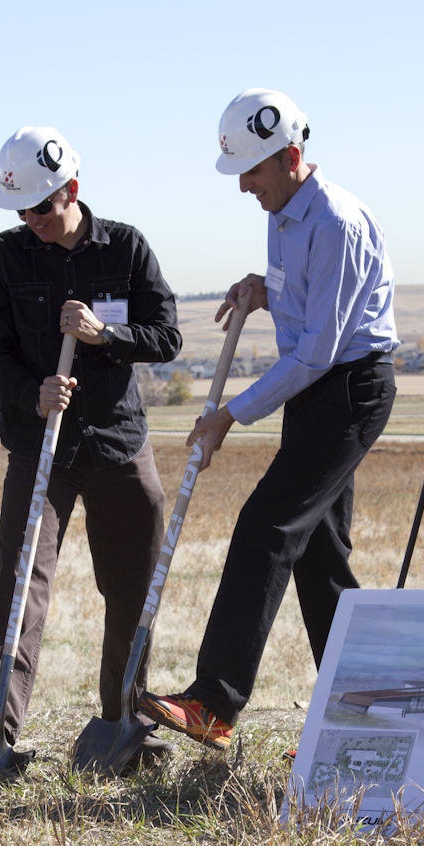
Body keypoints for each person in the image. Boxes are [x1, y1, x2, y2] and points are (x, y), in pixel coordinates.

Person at [141, 89, 399, 749]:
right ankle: (364, 720)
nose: (243, 187)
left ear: (290, 157)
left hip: (348, 392)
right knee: (319, 558)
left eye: (251, 173)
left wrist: (232, 413)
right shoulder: (283, 214)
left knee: (267, 526)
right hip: (319, 390)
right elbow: (303, 306)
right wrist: (263, 289)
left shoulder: (335, 221)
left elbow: (319, 348)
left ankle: (214, 704)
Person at [0, 126, 182, 770]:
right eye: (19, 209)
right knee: (21, 578)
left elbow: (167, 336)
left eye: (41, 207)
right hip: (38, 443)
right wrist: (30, 393)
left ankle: (124, 722)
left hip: (118, 443)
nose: (30, 220)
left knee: (131, 584)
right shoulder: (5, 254)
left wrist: (106, 335)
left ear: (71, 190)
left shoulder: (126, 248)